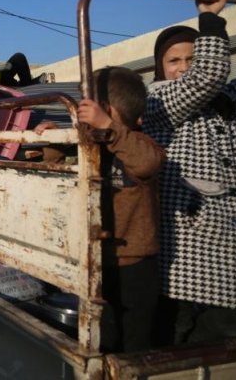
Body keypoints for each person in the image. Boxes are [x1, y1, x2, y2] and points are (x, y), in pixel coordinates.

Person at [143, 0, 236, 344]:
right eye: (174, 61)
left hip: (232, 237)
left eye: (191, 58)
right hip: (188, 246)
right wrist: (210, 19)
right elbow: (207, 76)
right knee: (177, 332)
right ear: (160, 68)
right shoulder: (159, 99)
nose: (184, 68)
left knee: (235, 326)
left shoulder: (218, 102)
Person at [77, 67, 165, 352]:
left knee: (134, 343)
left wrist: (110, 129)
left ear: (105, 109)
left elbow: (147, 163)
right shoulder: (91, 145)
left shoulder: (137, 143)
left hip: (134, 265)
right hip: (97, 260)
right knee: (104, 337)